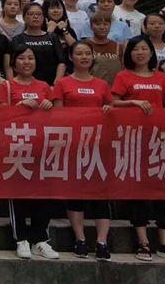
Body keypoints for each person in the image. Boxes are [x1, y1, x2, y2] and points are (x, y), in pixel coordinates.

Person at [111, 36, 165, 262]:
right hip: (134, 141)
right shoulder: (123, 76)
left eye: (144, 48)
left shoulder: (159, 77)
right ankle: (143, 241)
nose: (140, 52)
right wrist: (132, 102)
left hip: (160, 140)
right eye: (135, 49)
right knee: (139, 191)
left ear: (151, 53)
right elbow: (113, 102)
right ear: (130, 54)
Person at [0, 45, 59, 260]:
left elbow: (57, 116)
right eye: (22, 58)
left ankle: (40, 239)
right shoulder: (7, 86)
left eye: (31, 58)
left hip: (41, 146)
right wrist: (20, 105)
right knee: (18, 194)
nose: (27, 62)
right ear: (14, 63)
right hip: (17, 146)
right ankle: (21, 239)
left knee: (44, 194)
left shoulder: (44, 86)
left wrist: (50, 105)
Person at [52, 42, 113, 261]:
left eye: (88, 53)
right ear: (71, 57)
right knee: (75, 192)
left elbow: (112, 109)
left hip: (98, 145)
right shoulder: (63, 83)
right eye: (79, 53)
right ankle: (80, 239)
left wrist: (108, 109)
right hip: (73, 145)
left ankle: (102, 241)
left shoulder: (102, 85)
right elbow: (58, 115)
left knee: (100, 194)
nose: (84, 57)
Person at [11, 3, 66, 85]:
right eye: (31, 14)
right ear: (24, 17)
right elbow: (13, 65)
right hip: (26, 84)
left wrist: (56, 83)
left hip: (51, 84)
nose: (35, 17)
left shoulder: (53, 37)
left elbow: (61, 62)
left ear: (44, 17)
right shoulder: (18, 39)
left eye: (39, 14)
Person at [85, 11, 125, 85]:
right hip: (91, 87)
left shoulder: (118, 47)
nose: (102, 27)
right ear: (91, 26)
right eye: (98, 24)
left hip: (114, 89)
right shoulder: (84, 45)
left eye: (105, 24)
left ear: (110, 26)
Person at [42, 0, 78, 68]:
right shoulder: (40, 29)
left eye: (58, 8)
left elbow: (76, 48)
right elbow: (40, 49)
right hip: (47, 67)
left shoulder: (69, 30)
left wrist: (64, 30)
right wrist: (49, 31)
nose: (56, 11)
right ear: (45, 10)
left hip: (68, 68)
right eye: (52, 8)